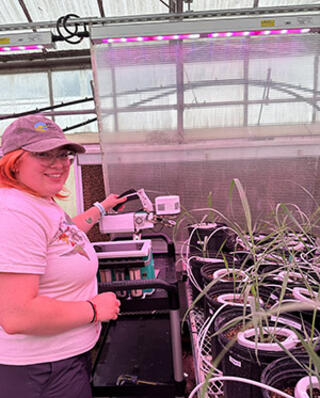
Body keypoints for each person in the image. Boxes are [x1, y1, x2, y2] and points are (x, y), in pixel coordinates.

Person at [0, 114, 127, 398]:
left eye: (64, 154)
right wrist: (94, 310)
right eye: (43, 154)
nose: (59, 164)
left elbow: (65, 234)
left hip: (56, 364)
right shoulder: (13, 212)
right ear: (13, 160)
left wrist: (103, 208)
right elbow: (16, 314)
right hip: (37, 371)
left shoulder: (36, 200)